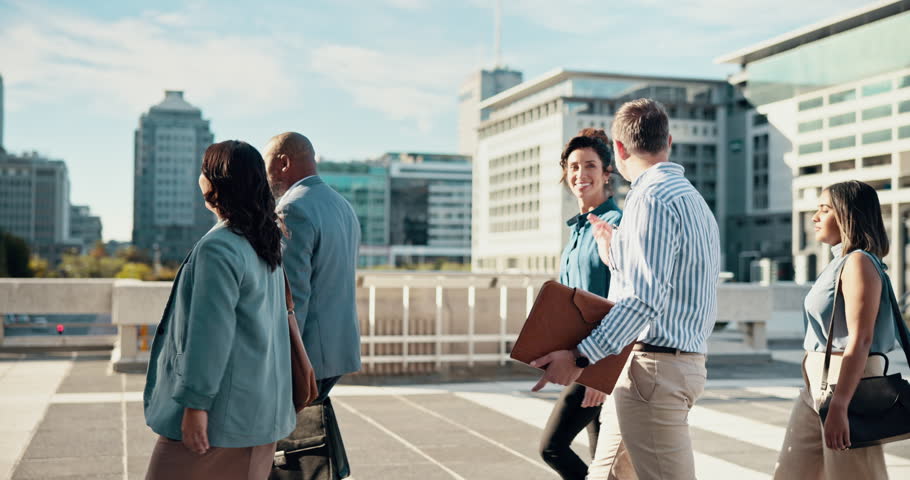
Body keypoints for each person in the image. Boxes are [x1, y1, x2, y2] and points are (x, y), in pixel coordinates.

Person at [531, 98, 721, 479]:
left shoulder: (649, 199)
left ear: (618, 150)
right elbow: (670, 280)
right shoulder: (693, 200)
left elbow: (643, 299)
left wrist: (582, 357)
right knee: (606, 476)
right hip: (671, 363)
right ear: (668, 141)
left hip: (654, 370)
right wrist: (615, 253)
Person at [144, 140, 313, 480]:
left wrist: (195, 405)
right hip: (261, 415)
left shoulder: (219, 247)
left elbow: (211, 334)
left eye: (204, 170)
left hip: (222, 420)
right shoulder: (263, 241)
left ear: (215, 183)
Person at [773, 181, 900, 479]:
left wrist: (841, 404)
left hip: (848, 387)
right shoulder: (839, 262)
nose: (815, 217)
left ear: (848, 215)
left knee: (854, 475)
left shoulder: (859, 263)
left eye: (825, 209)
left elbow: (862, 338)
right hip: (815, 388)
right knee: (792, 473)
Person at [263, 132, 361, 477]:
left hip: (310, 354)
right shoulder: (341, 205)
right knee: (307, 437)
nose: (267, 179)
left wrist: (283, 362)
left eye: (267, 168)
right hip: (339, 348)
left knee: (287, 453)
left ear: (283, 162)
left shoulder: (292, 207)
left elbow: (293, 296)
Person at [538, 128, 623, 480]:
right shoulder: (576, 231)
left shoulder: (616, 225)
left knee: (552, 447)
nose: (580, 175)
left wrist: (598, 374)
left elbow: (622, 302)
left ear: (607, 174)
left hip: (600, 361)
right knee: (605, 461)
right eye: (573, 167)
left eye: (590, 166)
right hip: (580, 359)